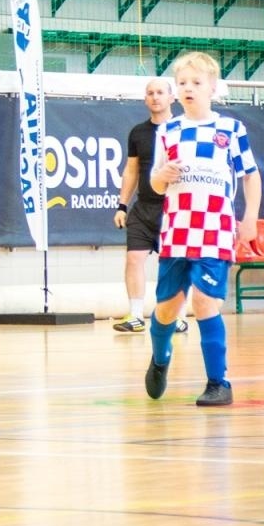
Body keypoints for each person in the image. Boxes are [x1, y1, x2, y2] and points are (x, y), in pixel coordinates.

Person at [145, 50, 260, 408]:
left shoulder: (231, 128)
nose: (188, 88)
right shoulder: (168, 130)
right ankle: (161, 357)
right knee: (167, 308)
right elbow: (155, 183)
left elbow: (250, 175)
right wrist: (161, 178)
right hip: (177, 230)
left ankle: (218, 382)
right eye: (182, 83)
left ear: (213, 87)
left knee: (205, 301)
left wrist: (250, 218)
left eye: (196, 82)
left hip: (215, 229)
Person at [112, 77, 187, 334]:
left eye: (160, 93)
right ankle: (135, 316)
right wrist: (122, 205)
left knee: (175, 264)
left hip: (175, 209)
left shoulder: (183, 130)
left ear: (171, 97)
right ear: (145, 99)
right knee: (134, 258)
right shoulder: (138, 132)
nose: (155, 97)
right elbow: (131, 170)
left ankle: (177, 316)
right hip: (143, 209)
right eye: (150, 93)